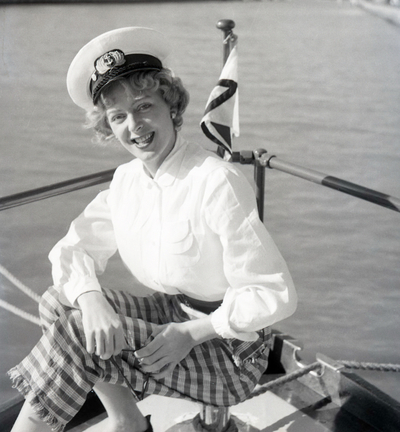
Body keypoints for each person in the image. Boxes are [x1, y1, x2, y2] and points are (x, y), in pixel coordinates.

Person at [9, 26, 297, 432]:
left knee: (74, 334)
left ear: (171, 106)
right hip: (171, 313)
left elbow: (274, 293)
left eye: (144, 106)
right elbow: (72, 249)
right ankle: (128, 421)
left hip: (230, 348)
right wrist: (91, 300)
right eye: (118, 116)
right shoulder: (128, 180)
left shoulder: (215, 181)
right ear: (108, 126)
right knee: (60, 303)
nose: (134, 126)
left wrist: (192, 333)